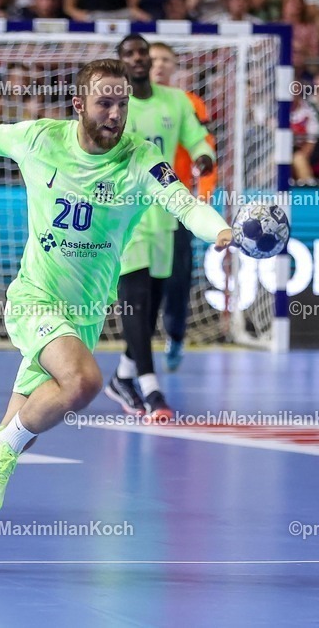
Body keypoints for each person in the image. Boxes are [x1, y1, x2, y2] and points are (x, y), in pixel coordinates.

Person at [0, 58, 233, 574]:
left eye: (123, 103)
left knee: (13, 431)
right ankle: (0, 448)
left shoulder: (140, 159)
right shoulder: (39, 138)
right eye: (105, 101)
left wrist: (220, 232)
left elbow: (183, 203)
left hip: (82, 317)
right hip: (35, 299)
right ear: (79, 104)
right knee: (82, 382)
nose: (116, 112)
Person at [106, 34, 214, 419]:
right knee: (134, 298)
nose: (137, 58)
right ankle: (151, 389)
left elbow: (198, 139)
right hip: (125, 214)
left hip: (166, 211)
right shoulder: (115, 106)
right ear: (121, 62)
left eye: (142, 52)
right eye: (129, 54)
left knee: (150, 303)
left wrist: (202, 159)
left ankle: (122, 375)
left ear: (149, 58)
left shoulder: (176, 102)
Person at [148, 41, 218, 371]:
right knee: (133, 279)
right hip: (133, 204)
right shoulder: (125, 102)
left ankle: (174, 334)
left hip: (175, 204)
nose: (158, 65)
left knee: (177, 278)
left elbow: (203, 148)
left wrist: (203, 197)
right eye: (153, 59)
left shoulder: (187, 103)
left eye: (165, 60)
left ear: (175, 67)